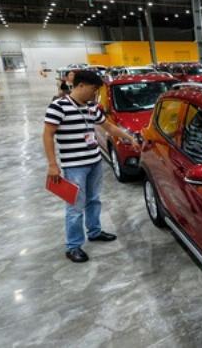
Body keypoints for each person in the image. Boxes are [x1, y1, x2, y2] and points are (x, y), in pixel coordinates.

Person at [43, 70, 137, 263]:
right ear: (81, 86)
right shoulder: (58, 107)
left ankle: (94, 231)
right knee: (75, 207)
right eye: (93, 89)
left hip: (94, 162)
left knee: (94, 200)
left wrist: (130, 138)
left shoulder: (92, 108)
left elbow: (109, 127)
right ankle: (73, 246)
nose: (95, 94)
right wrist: (53, 164)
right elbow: (47, 135)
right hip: (74, 166)